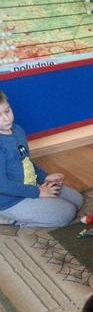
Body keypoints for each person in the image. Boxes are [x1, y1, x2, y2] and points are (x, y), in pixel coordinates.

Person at [0, 90, 83, 227]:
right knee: (67, 213)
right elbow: (2, 185)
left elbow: (25, 161)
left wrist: (44, 177)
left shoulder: (18, 130)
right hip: (10, 200)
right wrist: (38, 192)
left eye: (7, 111)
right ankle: (9, 218)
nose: (6, 118)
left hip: (30, 185)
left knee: (77, 200)